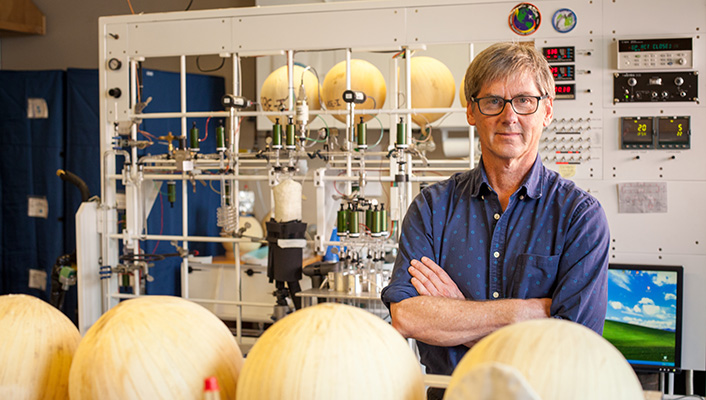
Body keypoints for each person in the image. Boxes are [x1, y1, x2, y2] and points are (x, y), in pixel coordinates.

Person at [380, 42, 610, 399]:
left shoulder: (579, 217)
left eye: (524, 100)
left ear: (547, 110)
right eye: (493, 102)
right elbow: (408, 317)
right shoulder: (432, 207)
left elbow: (573, 343)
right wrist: (530, 312)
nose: (509, 116)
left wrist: (455, 314)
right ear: (471, 111)